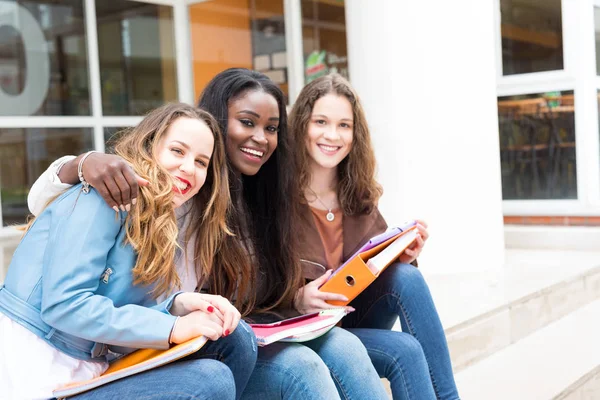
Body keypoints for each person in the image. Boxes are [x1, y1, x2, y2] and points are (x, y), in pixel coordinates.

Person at [26, 69, 390, 400]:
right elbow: (45, 203)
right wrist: (81, 163)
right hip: (162, 346)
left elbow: (174, 294)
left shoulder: (251, 198)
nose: (260, 138)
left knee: (343, 346)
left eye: (272, 128)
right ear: (215, 125)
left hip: (225, 335)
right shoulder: (151, 192)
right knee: (288, 367)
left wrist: (295, 298)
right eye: (247, 122)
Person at [0, 103, 256, 400]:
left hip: (89, 369)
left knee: (235, 337)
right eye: (177, 151)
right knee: (209, 380)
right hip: (35, 371)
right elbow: (64, 305)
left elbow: (118, 325)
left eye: (201, 162)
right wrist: (173, 326)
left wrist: (177, 305)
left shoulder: (158, 221)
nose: (189, 168)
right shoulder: (101, 196)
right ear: (149, 147)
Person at [290, 73, 461, 400]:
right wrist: (297, 299)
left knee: (407, 276)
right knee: (406, 350)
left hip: (354, 318)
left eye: (344, 125)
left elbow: (374, 266)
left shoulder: (357, 191)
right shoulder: (278, 198)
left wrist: (402, 254)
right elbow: (262, 286)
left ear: (355, 134)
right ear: (302, 125)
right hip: (306, 330)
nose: (332, 135)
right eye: (321, 122)